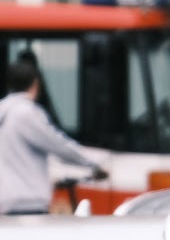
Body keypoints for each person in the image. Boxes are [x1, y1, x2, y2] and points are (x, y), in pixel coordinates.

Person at [0, 61, 106, 215]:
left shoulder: (3, 111)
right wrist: (95, 164)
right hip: (27, 202)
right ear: (35, 84)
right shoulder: (26, 113)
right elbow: (57, 145)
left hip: (5, 203)